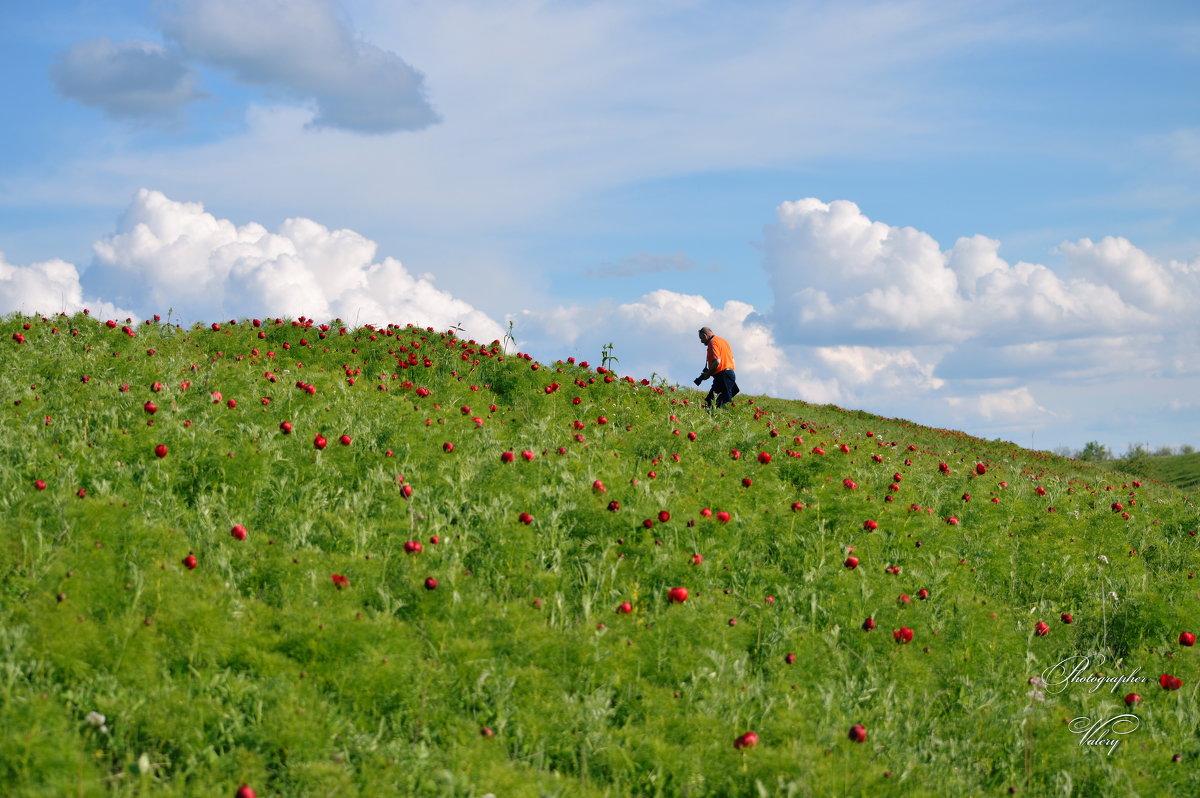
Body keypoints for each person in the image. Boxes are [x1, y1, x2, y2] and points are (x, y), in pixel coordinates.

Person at [693, 327, 740, 408]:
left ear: (705, 335)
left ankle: (728, 418)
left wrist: (708, 374)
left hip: (723, 375)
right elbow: (732, 360)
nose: (701, 341)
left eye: (701, 338)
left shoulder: (712, 342)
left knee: (722, 401)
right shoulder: (724, 341)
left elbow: (717, 361)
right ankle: (720, 417)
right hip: (728, 374)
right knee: (712, 401)